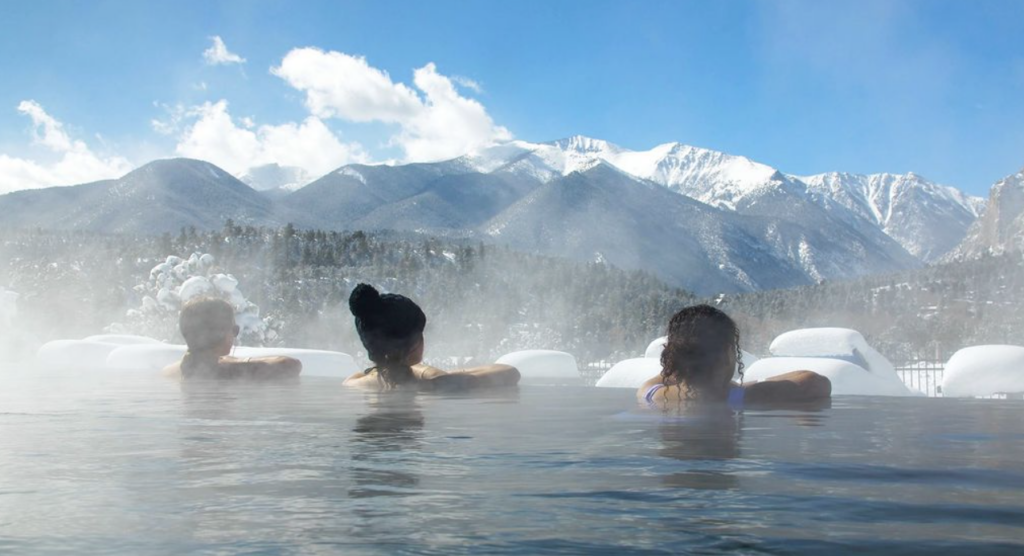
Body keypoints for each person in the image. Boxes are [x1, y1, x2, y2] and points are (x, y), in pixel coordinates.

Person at [638, 305, 830, 407]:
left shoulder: (650, 395)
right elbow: (816, 382)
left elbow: (668, 375)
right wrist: (742, 387)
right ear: (727, 352)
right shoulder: (739, 398)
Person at [343, 283, 520, 391]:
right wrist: (431, 372)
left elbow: (381, 373)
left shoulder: (352, 384)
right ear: (413, 344)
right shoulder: (435, 385)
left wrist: (387, 364)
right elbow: (510, 373)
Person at [162, 297, 302, 380]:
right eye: (234, 330)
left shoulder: (170, 371)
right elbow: (290, 365)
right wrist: (239, 363)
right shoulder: (225, 372)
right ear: (218, 333)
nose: (234, 336)